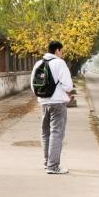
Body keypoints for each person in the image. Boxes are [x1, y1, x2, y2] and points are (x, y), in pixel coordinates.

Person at [30, 40, 74, 175]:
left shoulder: (39, 63)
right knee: (56, 133)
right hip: (58, 104)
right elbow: (68, 86)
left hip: (43, 102)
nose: (62, 53)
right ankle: (53, 166)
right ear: (57, 51)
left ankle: (47, 162)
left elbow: (33, 86)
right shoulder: (59, 63)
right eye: (62, 51)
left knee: (45, 132)